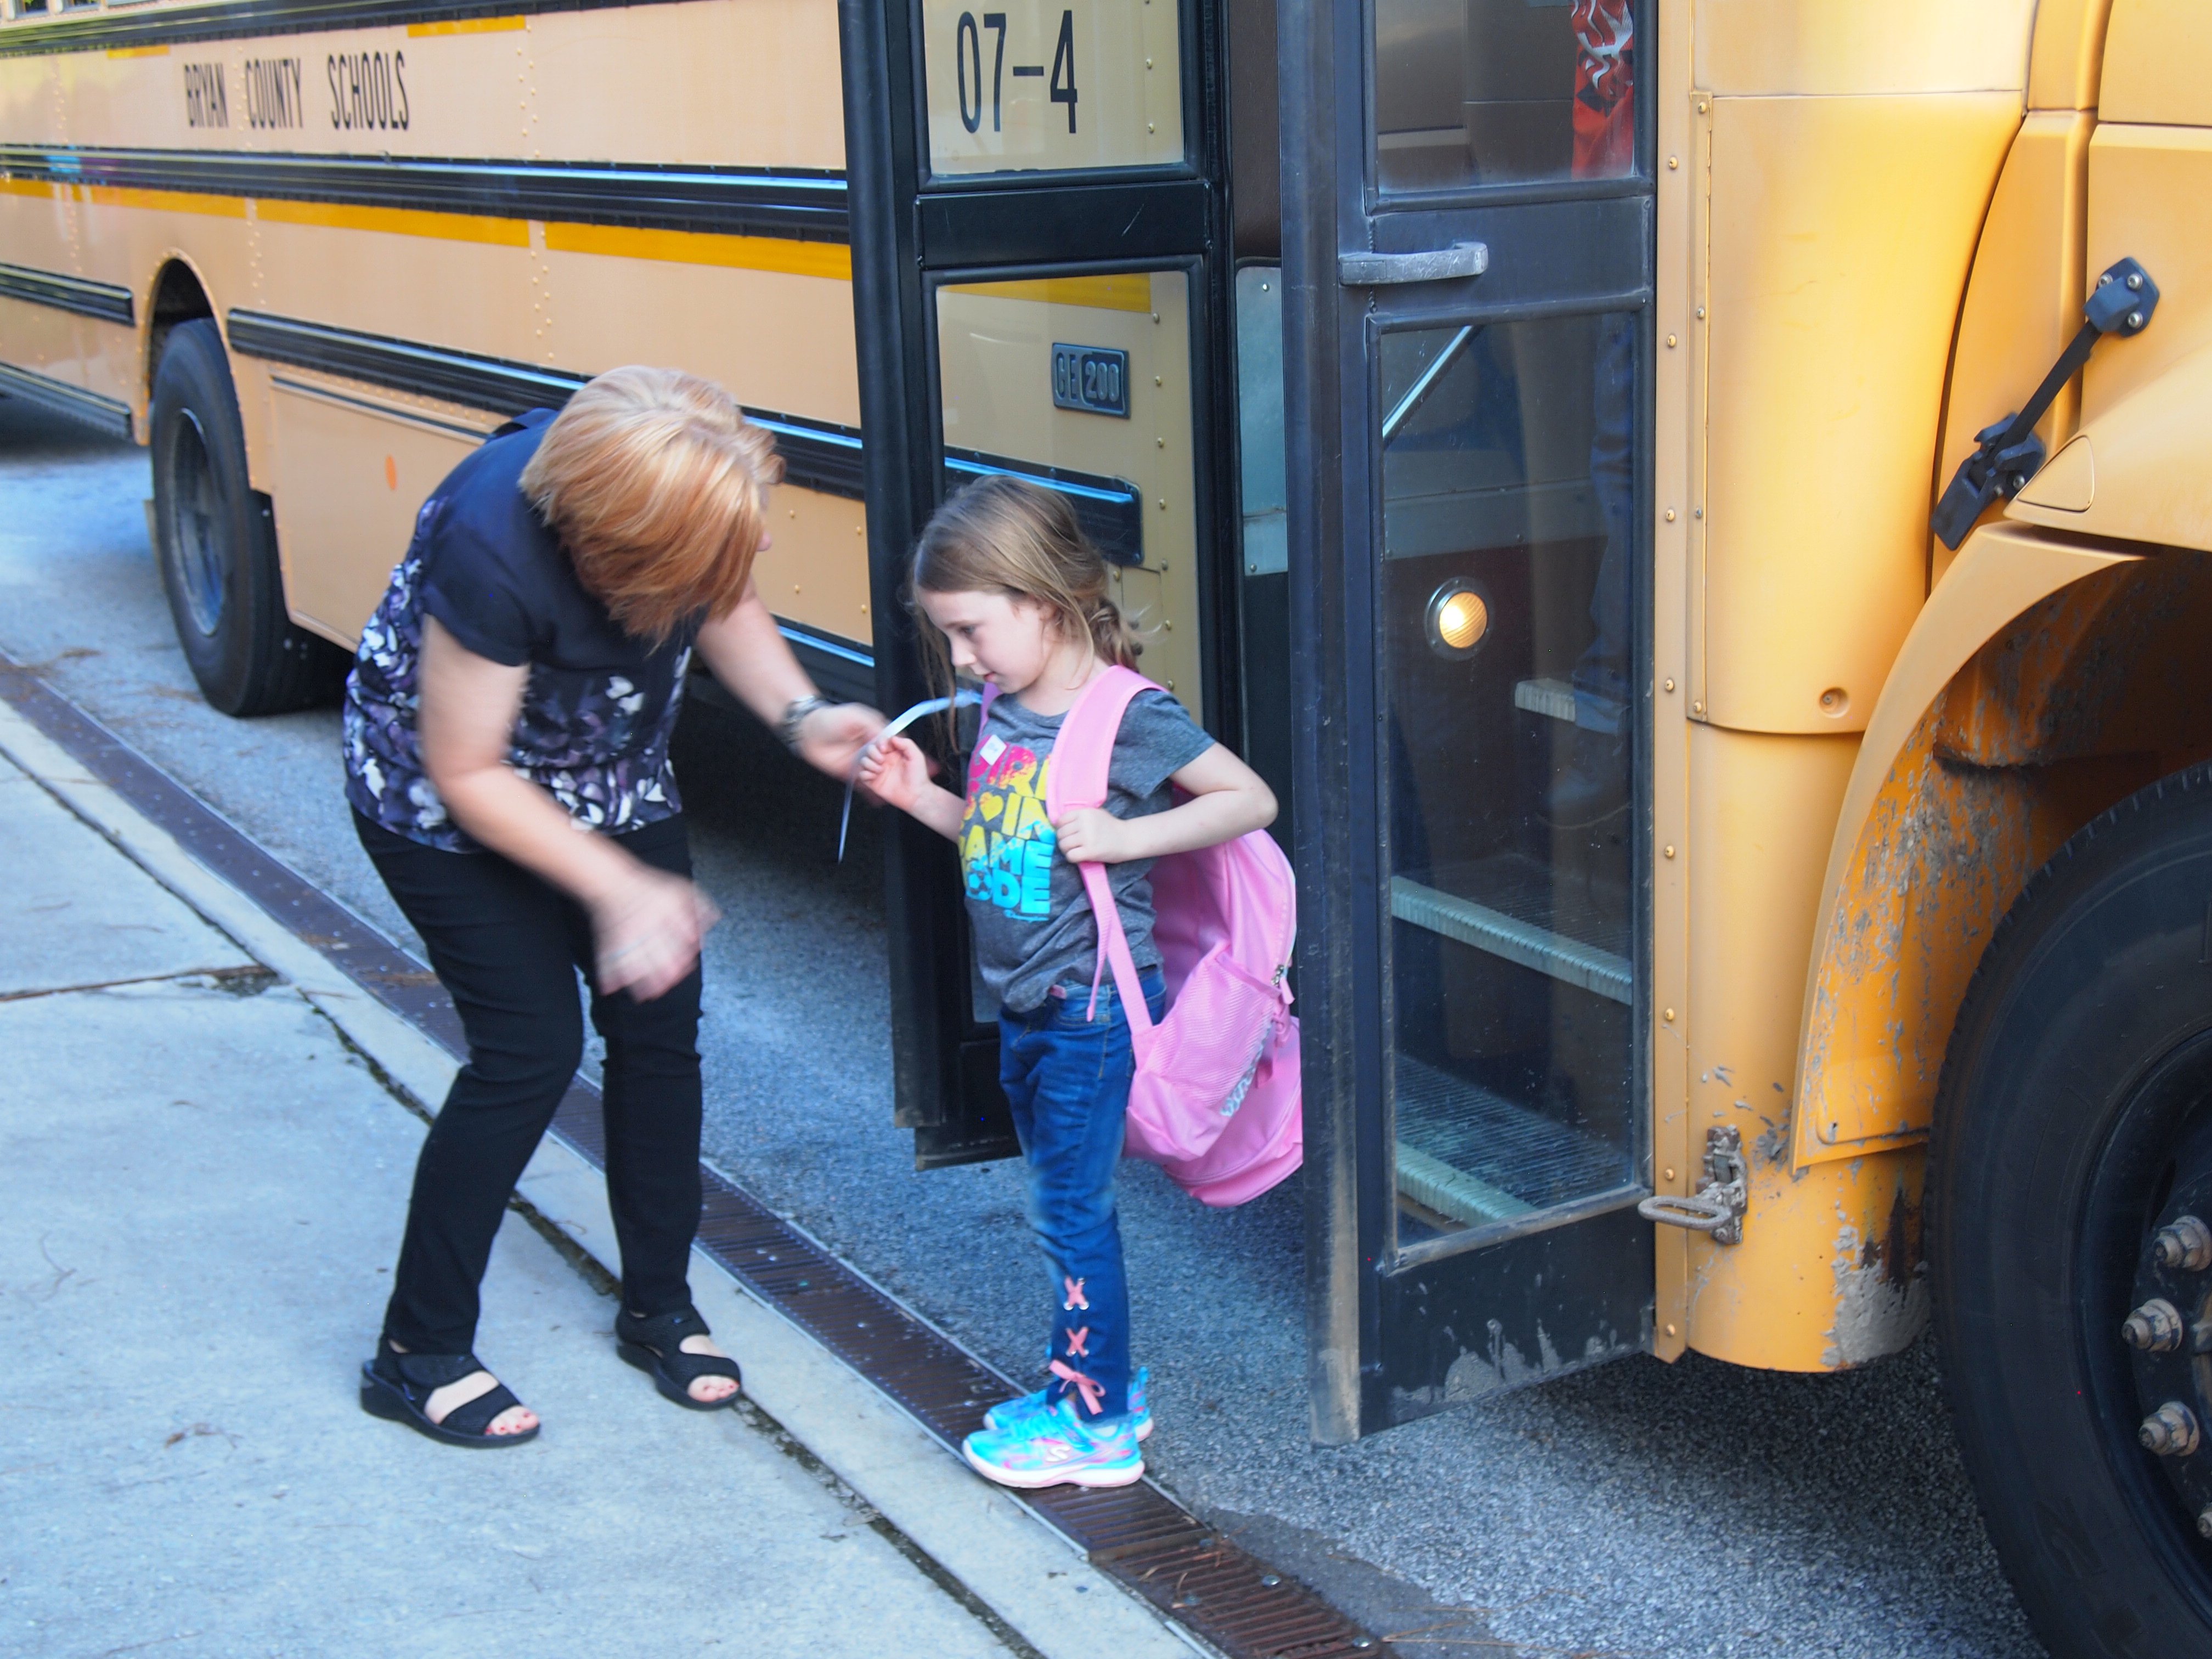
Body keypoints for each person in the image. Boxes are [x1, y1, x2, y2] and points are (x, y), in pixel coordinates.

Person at [345, 366, 883, 1447]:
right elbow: (468, 770)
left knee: (658, 1027)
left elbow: (723, 587)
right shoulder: (491, 543)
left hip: (610, 775)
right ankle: (418, 1351)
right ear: (616, 559)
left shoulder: (661, 512)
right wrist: (618, 885)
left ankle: (660, 1309)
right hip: (445, 801)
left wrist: (803, 717)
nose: (765, 551)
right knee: (528, 1051)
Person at [859, 477, 1276, 1489]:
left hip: (1089, 1010)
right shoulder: (1009, 704)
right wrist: (922, 798)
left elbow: (1249, 799)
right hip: (1028, 1004)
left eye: (969, 631)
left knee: (1069, 1212)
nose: (959, 660)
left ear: (1041, 605)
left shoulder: (1126, 716)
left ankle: (1096, 1427)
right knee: (1063, 1204)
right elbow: (999, 845)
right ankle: (1095, 1385)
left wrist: (1133, 833)